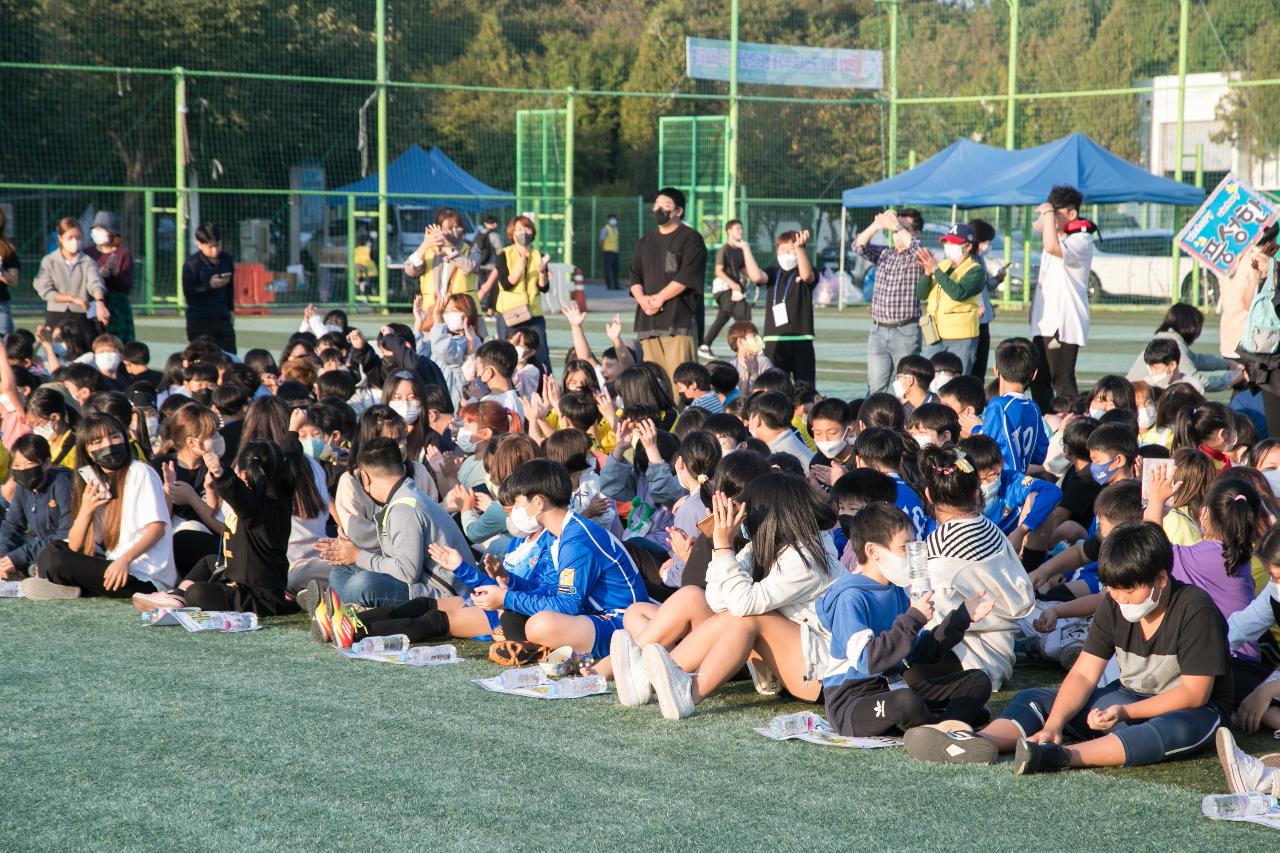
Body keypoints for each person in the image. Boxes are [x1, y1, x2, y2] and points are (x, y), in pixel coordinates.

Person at [906, 522, 1231, 775]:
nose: (1118, 599)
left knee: (1175, 728)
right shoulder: (1113, 603)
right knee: (1038, 699)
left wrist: (1125, 712)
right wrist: (1054, 725)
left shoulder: (1195, 608)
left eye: (1128, 590)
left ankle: (1061, 756)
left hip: (1186, 711)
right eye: (1113, 590)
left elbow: (1194, 693)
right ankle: (978, 742)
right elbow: (1085, 672)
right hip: (1125, 698)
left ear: (1160, 579)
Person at [623, 473, 841, 720]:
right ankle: (645, 679)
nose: (742, 519)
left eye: (748, 512)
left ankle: (688, 694)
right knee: (727, 611)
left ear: (769, 517)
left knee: (747, 618)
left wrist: (723, 544)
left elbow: (742, 605)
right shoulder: (766, 546)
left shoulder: (807, 558)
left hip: (823, 674)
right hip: (796, 662)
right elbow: (717, 601)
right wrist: (720, 547)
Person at [820, 502, 995, 736]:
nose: (911, 556)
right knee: (907, 702)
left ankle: (942, 729)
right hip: (852, 701)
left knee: (978, 680)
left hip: (893, 686)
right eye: (904, 548)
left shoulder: (896, 589)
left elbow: (918, 654)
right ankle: (943, 726)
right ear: (873, 551)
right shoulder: (850, 597)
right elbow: (867, 660)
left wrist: (961, 618)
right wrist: (913, 618)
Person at [468, 458, 649, 659]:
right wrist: (509, 581)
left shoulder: (576, 540)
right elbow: (547, 588)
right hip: (593, 614)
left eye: (518, 501)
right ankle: (531, 647)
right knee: (510, 611)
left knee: (541, 625)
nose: (515, 510)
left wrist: (506, 597)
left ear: (538, 503)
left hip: (622, 621)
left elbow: (567, 606)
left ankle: (535, 647)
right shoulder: (556, 534)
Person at [21, 413, 175, 599]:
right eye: (97, 441)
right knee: (53, 549)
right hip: (112, 563)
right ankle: (68, 587)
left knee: (58, 561)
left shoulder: (140, 471)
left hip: (143, 575)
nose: (108, 445)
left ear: (124, 439)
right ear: (86, 450)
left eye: (114, 436)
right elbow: (76, 545)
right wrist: (86, 509)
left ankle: (62, 584)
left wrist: (124, 560)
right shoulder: (93, 481)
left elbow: (157, 529)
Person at [319, 437, 471, 607]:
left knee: (362, 584)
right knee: (341, 572)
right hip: (426, 580)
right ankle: (350, 610)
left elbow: (407, 572)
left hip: (448, 594)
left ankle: (347, 611)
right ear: (403, 468)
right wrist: (354, 556)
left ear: (365, 478)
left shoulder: (404, 508)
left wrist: (358, 555)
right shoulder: (406, 493)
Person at [628, 187, 707, 387]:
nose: (659, 209)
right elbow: (634, 275)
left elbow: (687, 275)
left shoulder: (690, 238)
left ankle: (684, 419)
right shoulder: (645, 241)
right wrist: (643, 300)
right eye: (656, 205)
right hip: (648, 323)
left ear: (678, 211)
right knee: (652, 386)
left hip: (678, 323)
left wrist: (660, 298)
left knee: (682, 385)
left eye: (666, 206)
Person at [1029, 185, 1094, 411]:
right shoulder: (1058, 236)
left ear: (1072, 214)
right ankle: (1046, 426)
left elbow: (1051, 245)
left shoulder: (1081, 241)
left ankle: (1073, 428)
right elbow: (1037, 228)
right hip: (1044, 323)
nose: (1051, 218)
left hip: (1064, 324)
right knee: (1038, 379)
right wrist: (1046, 214)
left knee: (1062, 381)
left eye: (1056, 213)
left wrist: (1048, 215)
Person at [854, 208, 925, 395]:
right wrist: (877, 225)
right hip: (878, 330)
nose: (896, 233)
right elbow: (858, 246)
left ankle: (905, 424)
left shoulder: (917, 256)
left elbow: (916, 248)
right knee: (875, 388)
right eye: (893, 230)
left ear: (916, 232)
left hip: (905, 331)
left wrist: (895, 224)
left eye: (903, 228)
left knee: (906, 390)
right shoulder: (885, 254)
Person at [737, 229, 817, 385]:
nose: (786, 253)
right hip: (775, 339)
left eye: (791, 249)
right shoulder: (773, 272)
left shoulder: (804, 269)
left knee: (805, 387)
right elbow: (756, 277)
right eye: (782, 249)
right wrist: (746, 249)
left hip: (802, 339)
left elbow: (807, 276)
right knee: (776, 388)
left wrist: (800, 249)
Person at [0, 435, 73, 579]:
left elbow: (65, 536)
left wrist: (18, 557)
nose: (22, 470)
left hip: (64, 548)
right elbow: (12, 525)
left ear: (46, 463)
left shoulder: (62, 483)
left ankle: (31, 571)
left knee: (54, 560)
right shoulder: (23, 487)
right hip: (39, 544)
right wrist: (3, 558)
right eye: (16, 466)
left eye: (29, 464)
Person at [916, 223, 985, 373]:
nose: (948, 245)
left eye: (954, 242)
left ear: (967, 247)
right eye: (947, 242)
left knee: (957, 382)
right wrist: (927, 274)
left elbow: (958, 293)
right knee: (928, 379)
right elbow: (921, 294)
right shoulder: (943, 265)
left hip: (960, 337)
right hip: (934, 333)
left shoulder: (975, 270)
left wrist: (935, 270)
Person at [1125, 303, 1242, 393]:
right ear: (1190, 327)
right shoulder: (1172, 344)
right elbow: (1197, 381)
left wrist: (1227, 364)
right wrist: (1229, 381)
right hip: (1136, 397)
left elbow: (1197, 360)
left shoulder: (1167, 338)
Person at [488, 216, 550, 367]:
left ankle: (545, 386)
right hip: (511, 313)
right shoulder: (504, 254)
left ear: (533, 232)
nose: (523, 232)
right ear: (512, 233)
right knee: (506, 355)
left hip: (533, 314)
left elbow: (544, 288)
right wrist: (520, 267)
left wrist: (542, 272)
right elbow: (505, 283)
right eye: (519, 229)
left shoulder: (538, 255)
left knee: (541, 355)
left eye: (527, 228)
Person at [33, 217, 109, 340]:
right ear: (60, 238)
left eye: (78, 237)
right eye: (70, 238)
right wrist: (72, 299)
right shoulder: (49, 261)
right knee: (56, 351)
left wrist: (99, 302)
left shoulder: (88, 261)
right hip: (55, 314)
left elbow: (95, 283)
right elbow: (45, 291)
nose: (74, 241)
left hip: (80, 316)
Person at [403, 207, 482, 314]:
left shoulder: (471, 249)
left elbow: (469, 267)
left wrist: (447, 247)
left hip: (463, 311)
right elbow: (410, 270)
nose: (453, 231)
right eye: (449, 228)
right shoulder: (430, 251)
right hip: (433, 310)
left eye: (457, 227)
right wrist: (425, 244)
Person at [181, 223, 236, 353]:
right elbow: (188, 291)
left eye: (217, 245)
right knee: (202, 359)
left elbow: (230, 287)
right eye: (210, 247)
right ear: (199, 244)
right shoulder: (192, 264)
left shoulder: (226, 259)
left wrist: (231, 309)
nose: (215, 250)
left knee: (230, 355)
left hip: (222, 316)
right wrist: (208, 285)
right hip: (200, 319)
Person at [700, 219, 749, 358]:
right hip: (723, 290)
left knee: (724, 316)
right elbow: (718, 271)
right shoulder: (725, 249)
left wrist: (750, 278)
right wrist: (733, 284)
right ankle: (749, 346)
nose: (741, 231)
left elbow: (744, 270)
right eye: (738, 228)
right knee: (743, 316)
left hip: (733, 289)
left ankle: (705, 345)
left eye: (741, 228)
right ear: (729, 231)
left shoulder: (739, 250)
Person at [85, 211, 135, 344]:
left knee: (119, 344)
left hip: (117, 307)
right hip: (93, 303)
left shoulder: (123, 254)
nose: (97, 232)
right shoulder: (87, 253)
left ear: (111, 232)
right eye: (95, 229)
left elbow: (126, 286)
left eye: (101, 229)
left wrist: (115, 272)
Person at [968, 218, 1007, 379]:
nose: (988, 246)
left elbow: (983, 286)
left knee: (980, 367)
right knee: (971, 365)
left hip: (984, 321)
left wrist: (997, 279)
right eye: (986, 241)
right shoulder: (969, 260)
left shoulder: (979, 258)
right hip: (972, 320)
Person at [474, 214, 505, 313]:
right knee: (492, 289)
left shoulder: (479, 233)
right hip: (491, 266)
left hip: (479, 264)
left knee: (480, 288)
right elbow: (500, 250)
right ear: (495, 224)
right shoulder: (495, 235)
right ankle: (489, 310)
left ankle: (476, 307)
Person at [0, 207, 20, 334]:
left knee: (5, 343)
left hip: (1, 304)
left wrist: (2, 273)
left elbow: (14, 280)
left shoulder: (8, 249)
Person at [599, 212, 621, 291]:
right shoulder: (605, 228)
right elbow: (601, 240)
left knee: (616, 269)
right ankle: (609, 286)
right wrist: (602, 250)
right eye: (611, 219)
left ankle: (616, 285)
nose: (613, 220)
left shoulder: (615, 229)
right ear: (608, 220)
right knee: (607, 269)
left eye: (614, 219)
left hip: (615, 252)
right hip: (607, 251)